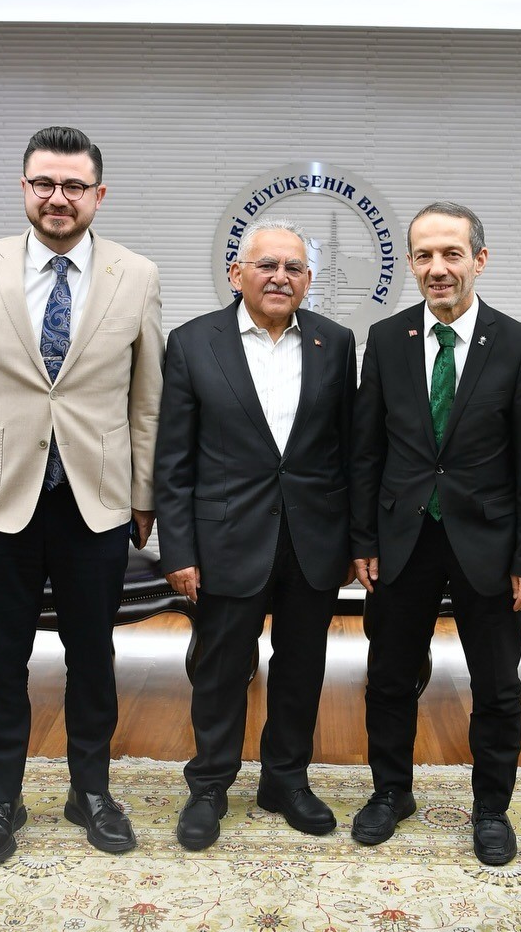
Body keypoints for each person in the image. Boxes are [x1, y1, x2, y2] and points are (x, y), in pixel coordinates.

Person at [0, 126, 163, 865]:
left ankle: (90, 791)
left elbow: (148, 399)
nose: (57, 198)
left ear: (98, 194)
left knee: (93, 654)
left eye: (73, 186)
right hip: (0, 496)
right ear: (24, 188)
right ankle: (2, 797)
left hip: (97, 499)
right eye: (43, 184)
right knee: (0, 655)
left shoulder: (136, 274)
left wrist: (144, 496)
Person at [350, 201, 521, 866]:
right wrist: (363, 539)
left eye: (451, 254)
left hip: (488, 546)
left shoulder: (519, 344)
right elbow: (366, 451)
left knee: (496, 686)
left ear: (479, 260)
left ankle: (491, 809)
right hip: (401, 540)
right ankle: (390, 791)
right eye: (424, 255)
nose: (437, 268)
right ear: (411, 263)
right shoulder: (386, 339)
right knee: (388, 678)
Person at [154, 218, 357, 850]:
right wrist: (178, 548)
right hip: (225, 538)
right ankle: (209, 786)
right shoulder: (192, 342)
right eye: (266, 265)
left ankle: (285, 781)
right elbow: (173, 458)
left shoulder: (336, 342)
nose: (279, 277)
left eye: (293, 268)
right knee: (219, 670)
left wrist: (355, 542)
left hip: (312, 539)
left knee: (301, 667)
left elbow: (349, 452)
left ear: (308, 280)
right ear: (236, 273)